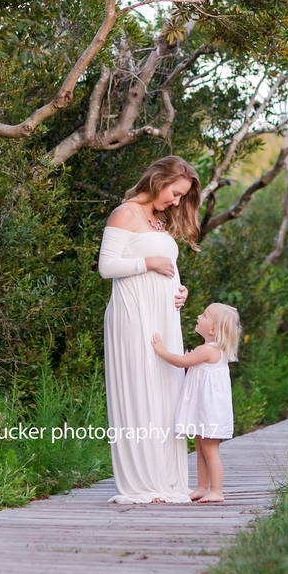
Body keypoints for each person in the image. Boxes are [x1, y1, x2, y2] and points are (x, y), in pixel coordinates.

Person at [99, 155, 201, 504]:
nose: (176, 201)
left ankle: (166, 479)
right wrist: (149, 263)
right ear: (158, 180)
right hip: (133, 316)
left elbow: (168, 267)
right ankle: (142, 482)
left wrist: (181, 289)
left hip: (164, 319)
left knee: (166, 392)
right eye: (175, 193)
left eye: (181, 196)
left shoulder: (157, 220)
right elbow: (106, 266)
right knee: (140, 389)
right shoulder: (124, 213)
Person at [151, 302, 241, 503]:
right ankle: (202, 487)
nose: (199, 316)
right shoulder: (212, 350)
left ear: (212, 329)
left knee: (209, 451)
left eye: (204, 314)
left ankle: (216, 490)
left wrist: (161, 351)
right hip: (207, 409)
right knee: (201, 448)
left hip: (211, 411)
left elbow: (181, 362)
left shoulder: (207, 350)